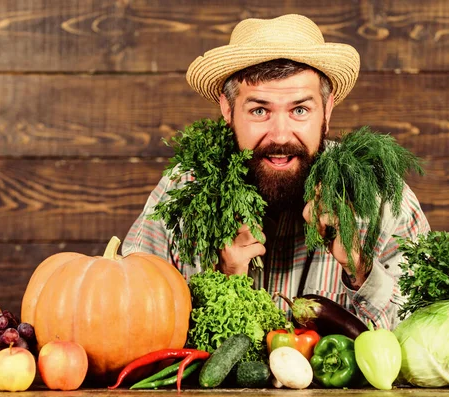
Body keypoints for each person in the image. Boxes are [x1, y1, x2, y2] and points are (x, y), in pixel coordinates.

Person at [122, 14, 430, 330]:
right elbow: (128, 320)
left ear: (327, 110)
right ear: (228, 110)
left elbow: (427, 334)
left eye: (299, 110)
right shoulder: (182, 189)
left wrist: (360, 268)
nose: (280, 135)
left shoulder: (382, 197)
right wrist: (224, 279)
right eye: (259, 110)